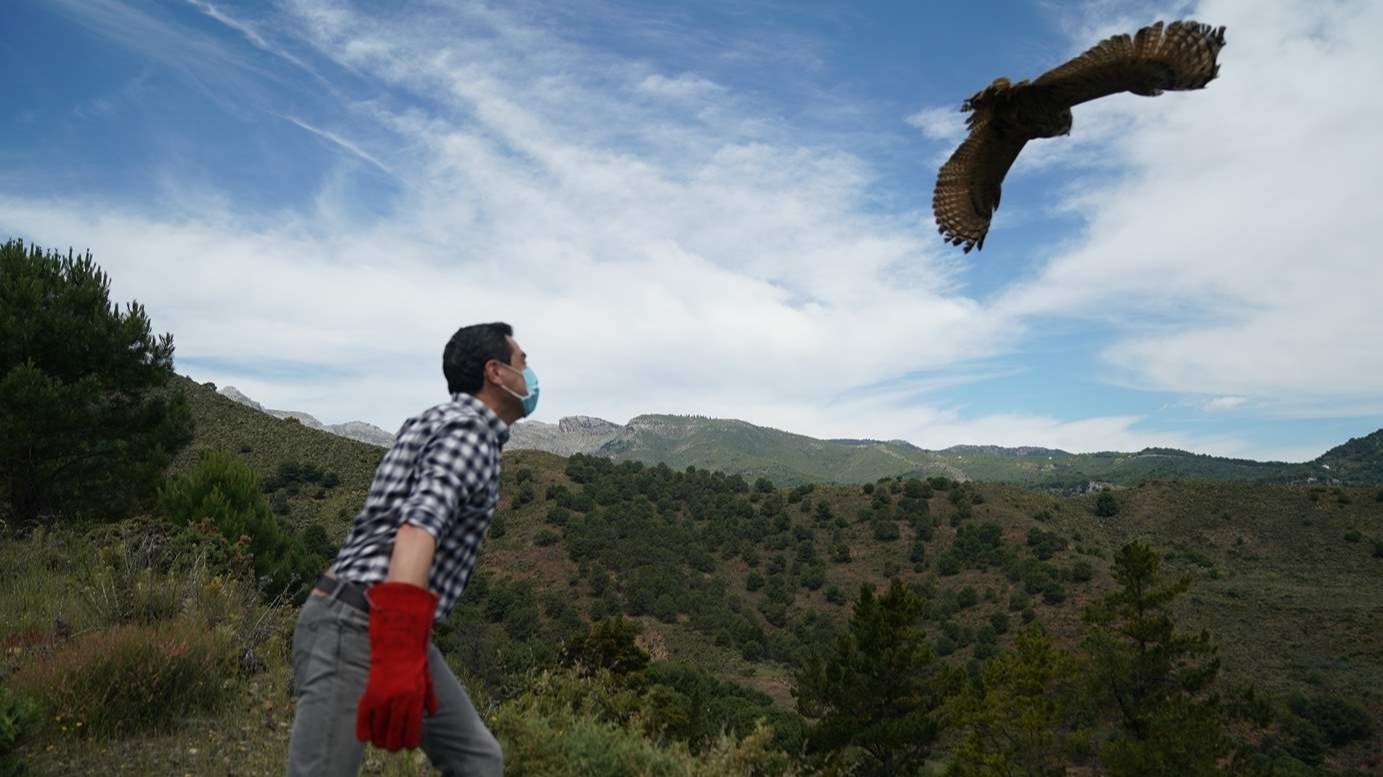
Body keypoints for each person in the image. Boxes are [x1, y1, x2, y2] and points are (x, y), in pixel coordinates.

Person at [285, 322, 538, 776]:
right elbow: (420, 526)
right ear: (495, 372)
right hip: (358, 623)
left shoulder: (437, 421)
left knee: (477, 760)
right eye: (523, 360)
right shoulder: (471, 434)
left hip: (377, 620)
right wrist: (399, 650)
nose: (530, 372)